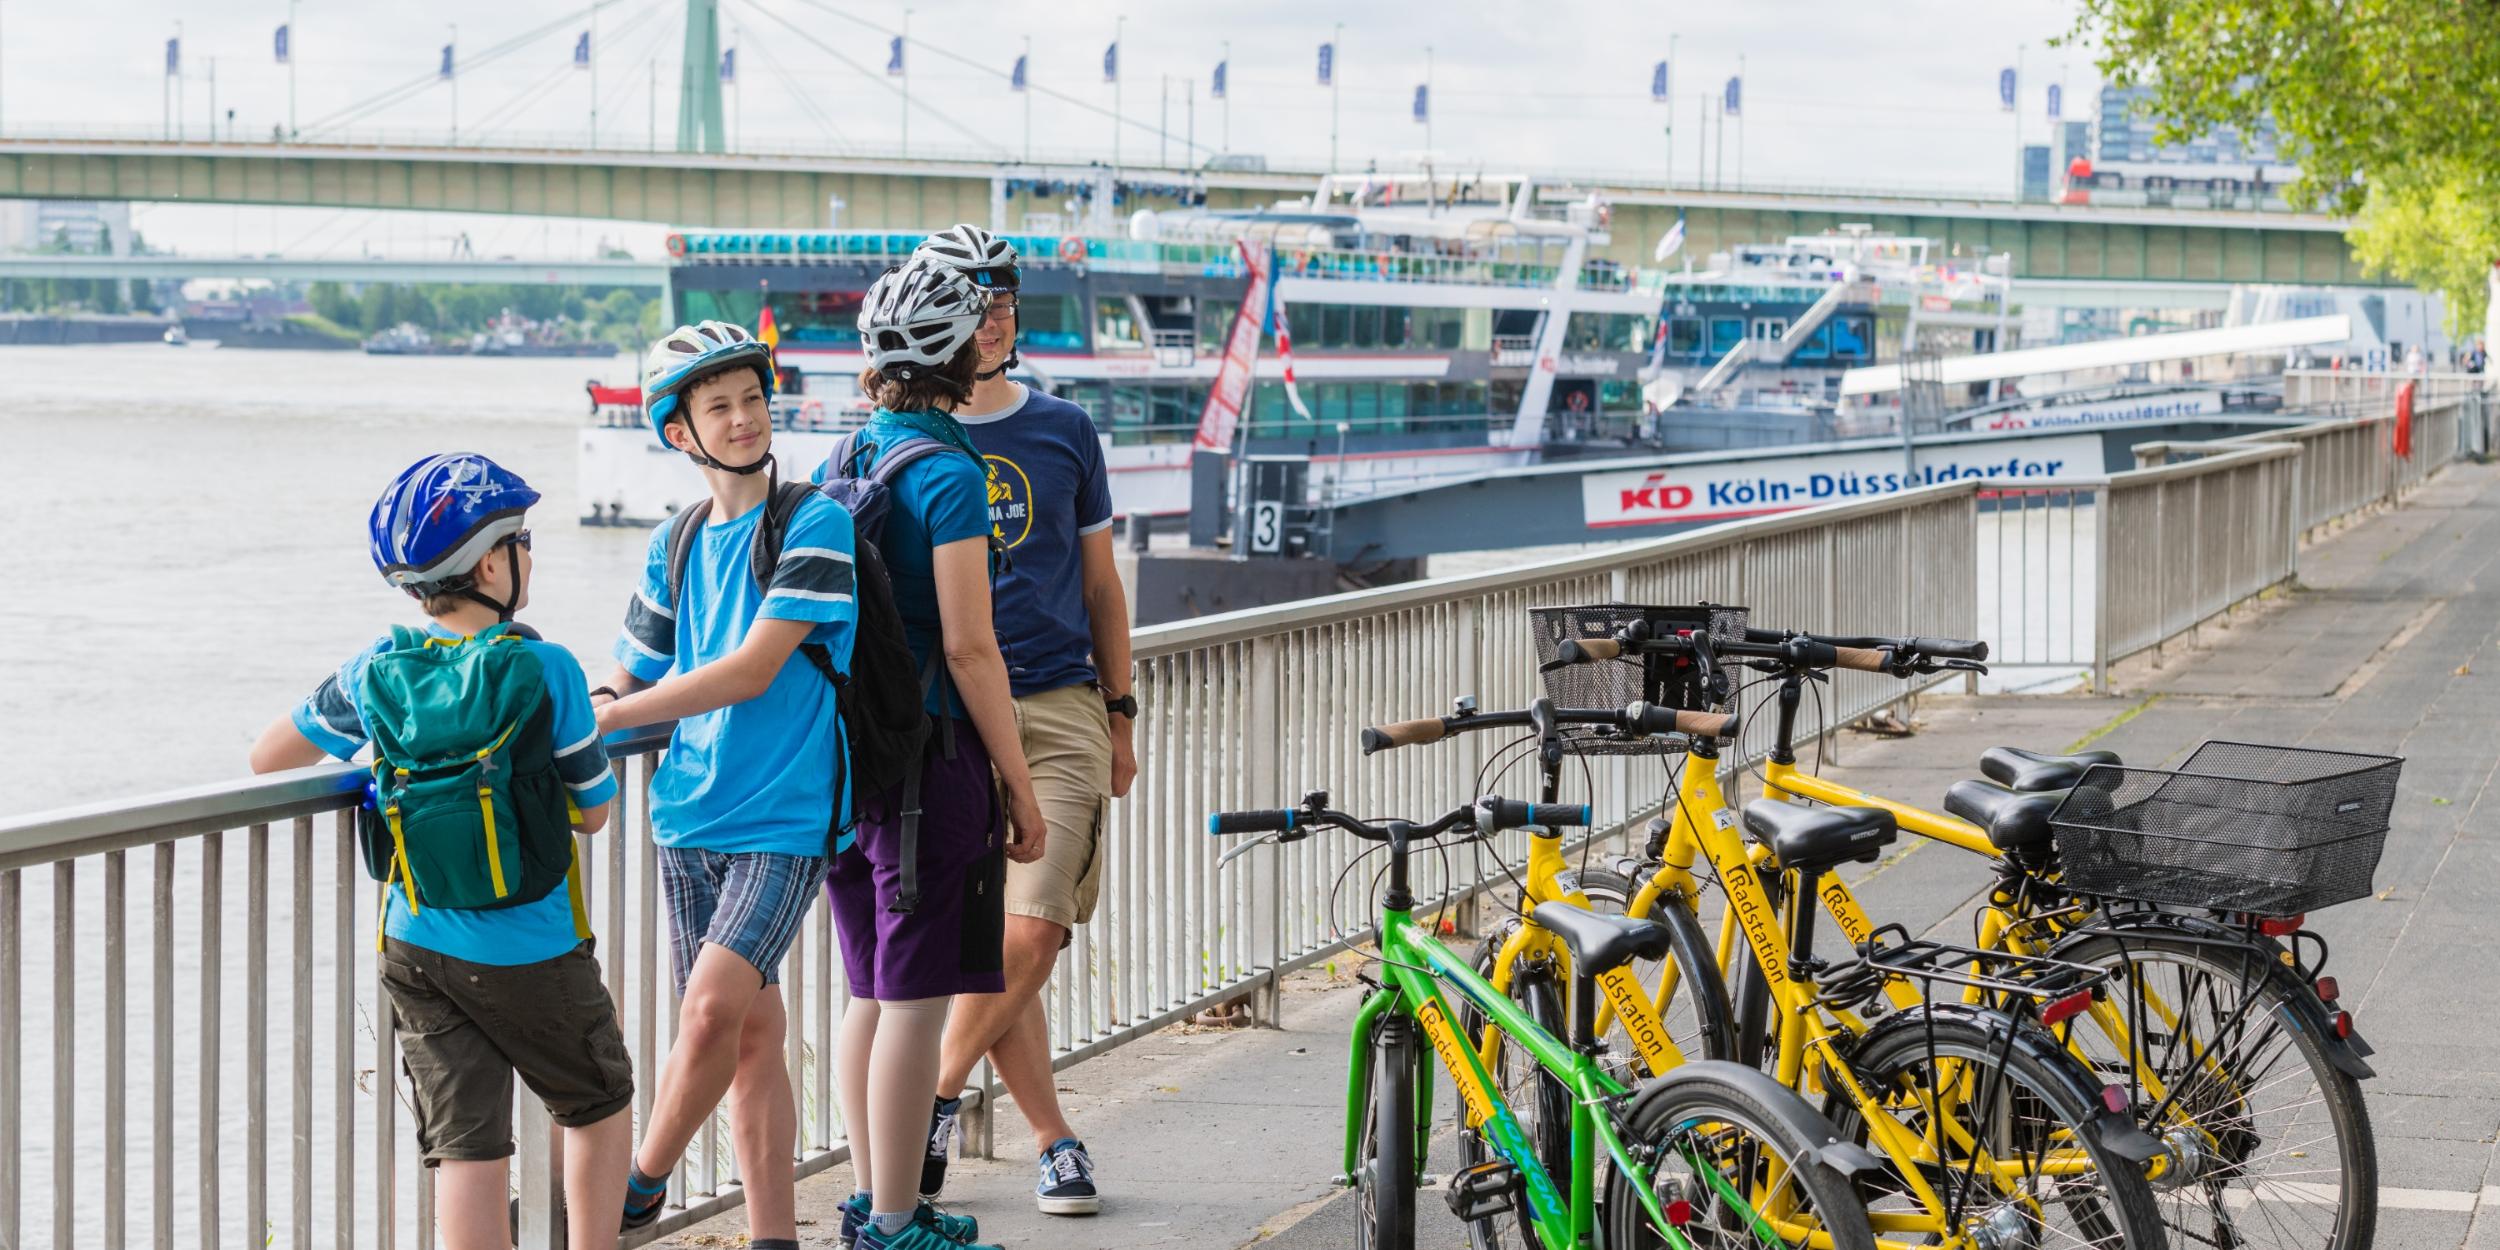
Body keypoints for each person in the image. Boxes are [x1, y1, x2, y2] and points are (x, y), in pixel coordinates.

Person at [247, 454, 633, 1250]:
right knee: (597, 1101)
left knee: (465, 1144)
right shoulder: (546, 668)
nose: (530, 554)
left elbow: (268, 756)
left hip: (414, 942)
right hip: (530, 944)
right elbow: (594, 814)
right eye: (523, 539)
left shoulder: (374, 672)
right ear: (493, 561)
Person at [595, 320, 860, 1250]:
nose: (744, 418)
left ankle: (638, 1182)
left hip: (787, 816)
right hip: (686, 813)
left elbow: (753, 668)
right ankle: (774, 1237)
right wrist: (591, 704)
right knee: (748, 1037)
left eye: (752, 398)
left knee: (708, 1014)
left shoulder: (814, 521)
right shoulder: (674, 541)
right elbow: (628, 670)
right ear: (680, 431)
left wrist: (618, 718)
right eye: (719, 406)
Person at [909, 224, 1135, 1219]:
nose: (991, 312)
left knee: (1034, 926)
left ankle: (926, 1099)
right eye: (971, 296)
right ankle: (1055, 1139)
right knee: (989, 943)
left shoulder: (1064, 428)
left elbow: (1100, 585)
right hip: (944, 719)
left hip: (1054, 702)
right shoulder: (909, 437)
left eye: (1003, 295)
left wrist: (1121, 713)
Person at [824, 255, 1046, 1250]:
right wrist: (1020, 783)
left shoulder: (847, 461)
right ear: (959, 353)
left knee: (869, 990)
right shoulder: (949, 474)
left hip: (846, 768)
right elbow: (967, 644)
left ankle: (875, 1200)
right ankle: (896, 1222)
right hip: (927, 767)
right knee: (914, 999)